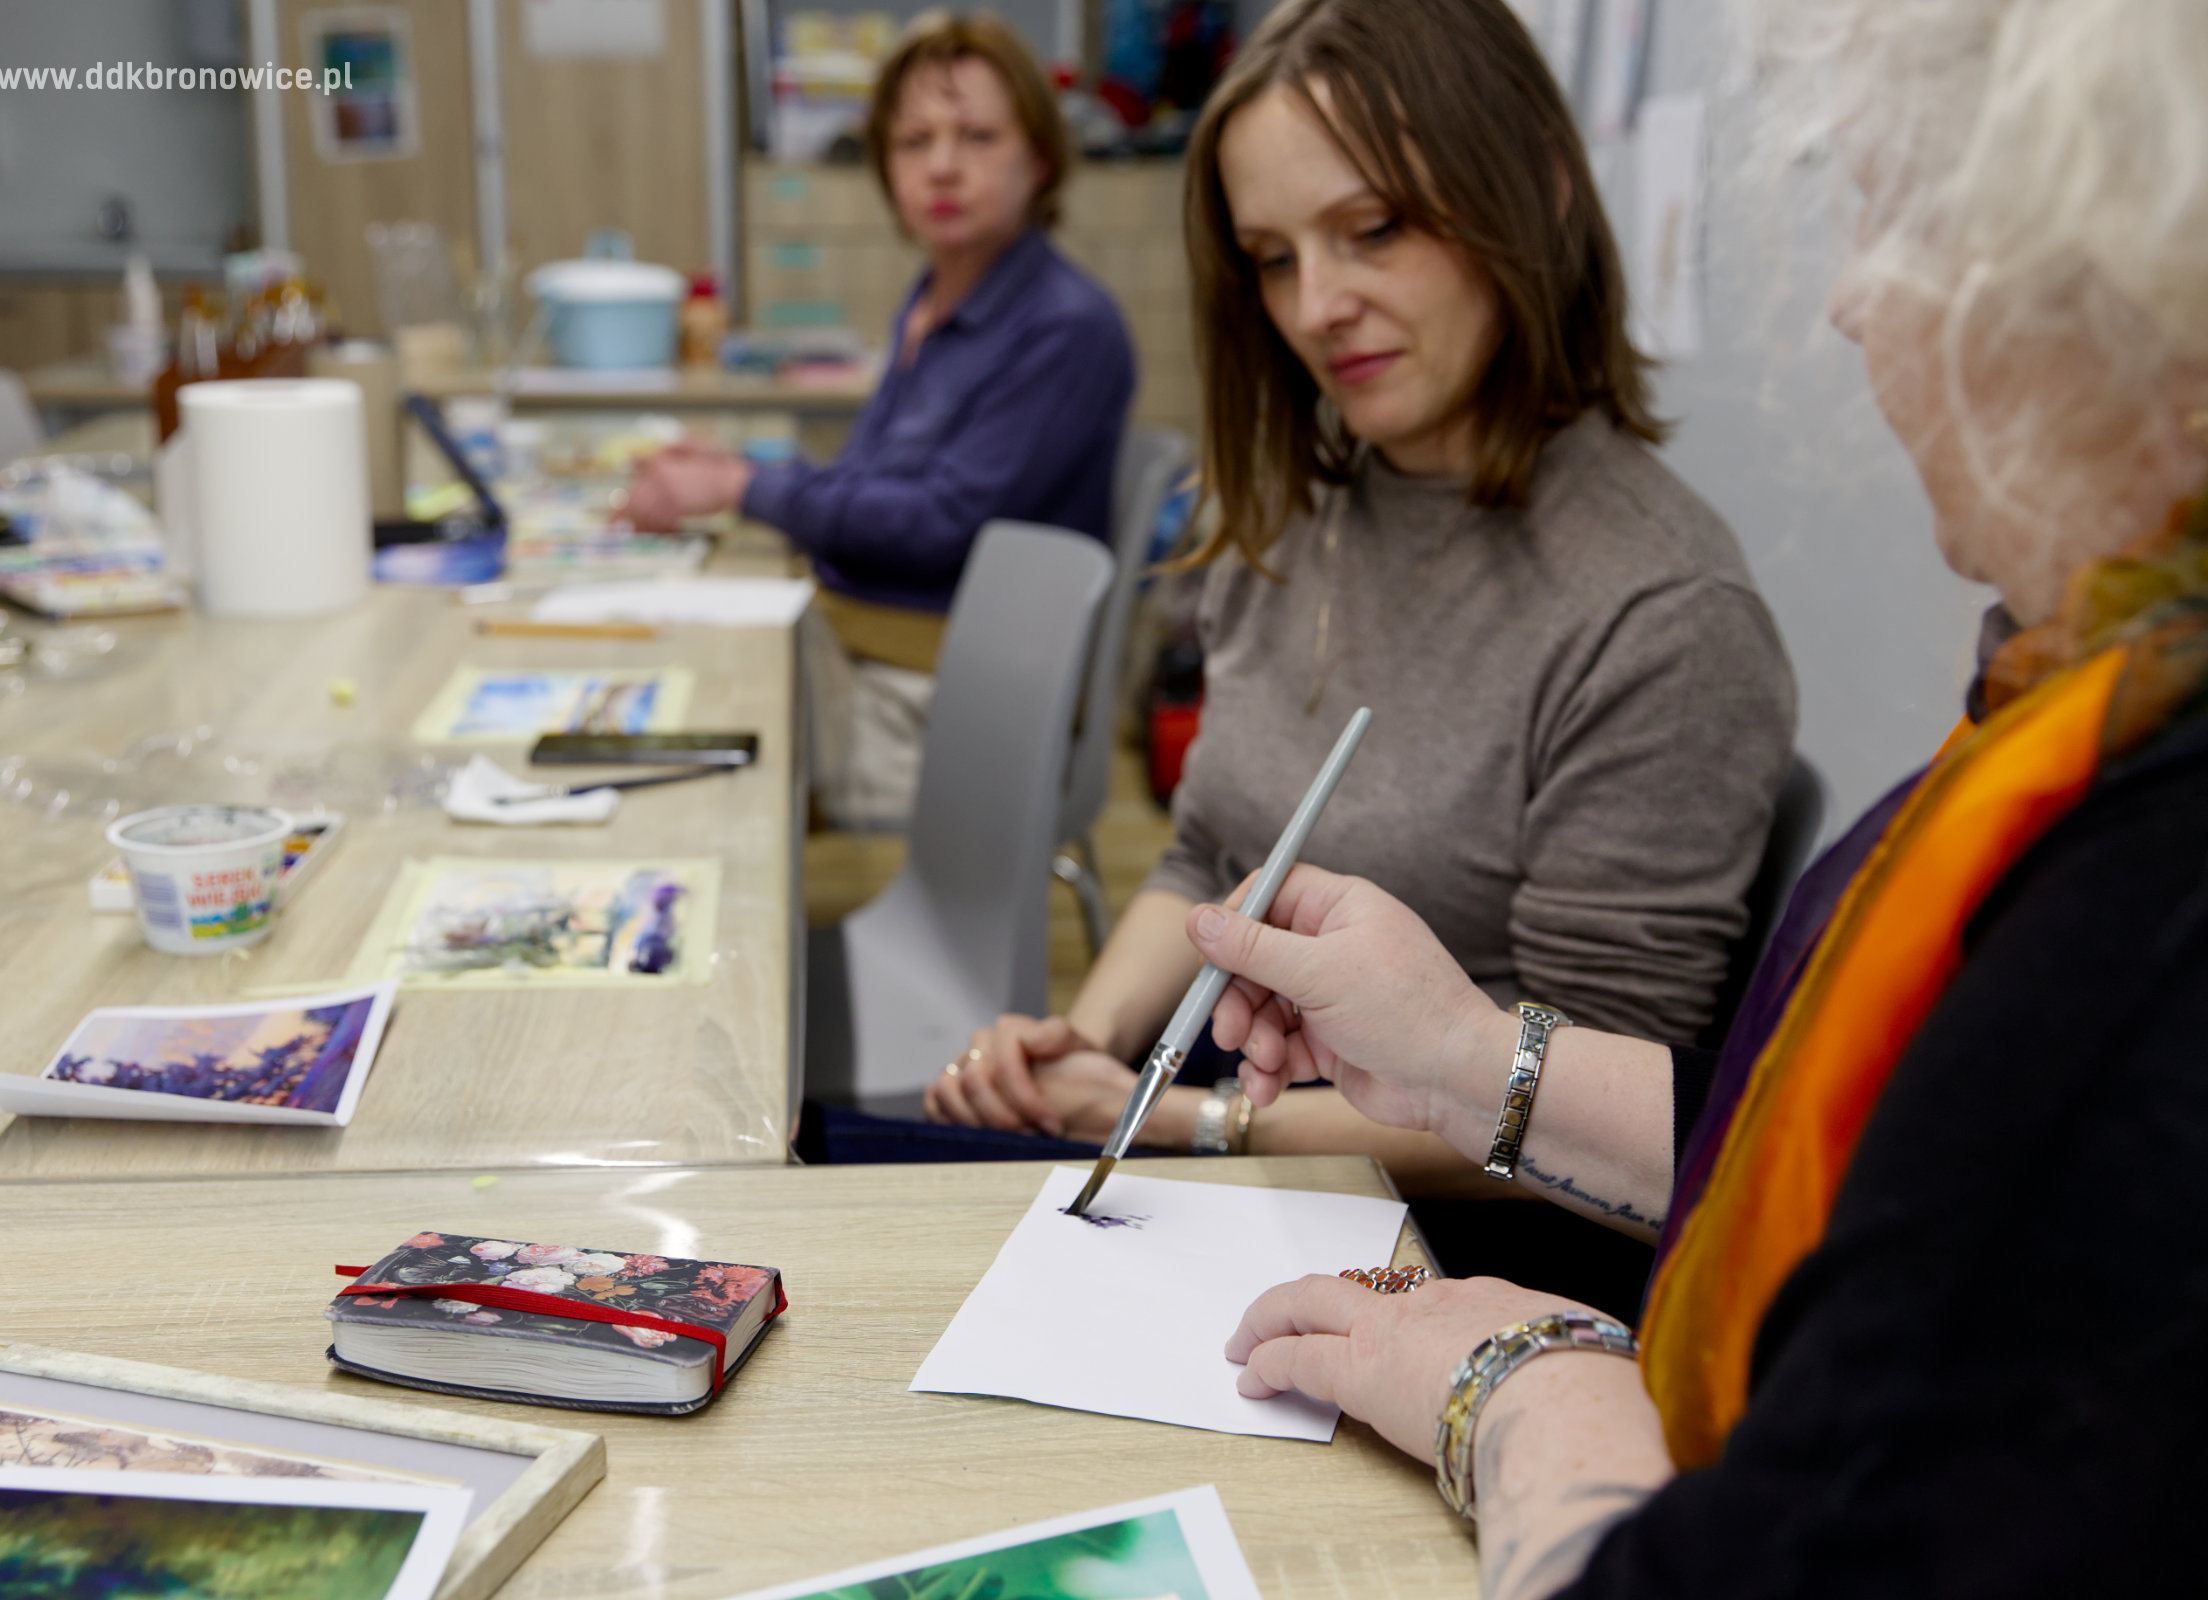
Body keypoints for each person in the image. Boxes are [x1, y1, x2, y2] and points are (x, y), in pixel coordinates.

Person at [1185, 0, 2208, 1590]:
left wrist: (1517, 1390)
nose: (1852, 301)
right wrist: (1457, 1053)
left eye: (1900, 211)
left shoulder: (2138, 925)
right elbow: (1829, 1146)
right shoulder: (2073, 698)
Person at [924, 0, 1795, 1308]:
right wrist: (1089, 1045)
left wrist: (1199, 1126)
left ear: (1538, 193)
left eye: (1375, 229)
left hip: (1451, 1253)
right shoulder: (1305, 509)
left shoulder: (1662, 614)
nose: (1317, 307)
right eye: (1273, 259)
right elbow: (1209, 855)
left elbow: (1589, 1122)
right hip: (1237, 1152)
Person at [626, 12, 1134, 827]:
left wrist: (741, 486)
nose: (942, 166)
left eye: (977, 137)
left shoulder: (1065, 327)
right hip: (873, 652)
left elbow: (937, 524)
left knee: (687, 750)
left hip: (948, 700)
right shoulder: (934, 297)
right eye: (913, 141)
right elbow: (871, 481)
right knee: (661, 658)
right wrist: (732, 473)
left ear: (1039, 158)